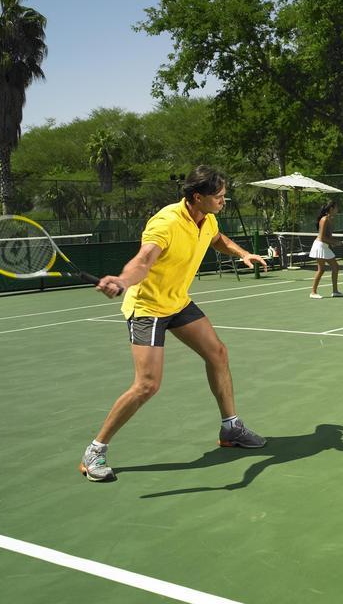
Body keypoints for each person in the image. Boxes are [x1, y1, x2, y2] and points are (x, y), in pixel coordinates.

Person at [79, 166, 268, 483]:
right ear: (198, 197)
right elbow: (144, 260)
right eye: (218, 196)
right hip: (148, 307)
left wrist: (242, 252)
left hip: (177, 301)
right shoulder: (165, 223)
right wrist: (123, 281)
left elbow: (216, 238)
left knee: (218, 353)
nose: (223, 201)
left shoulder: (206, 218)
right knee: (147, 385)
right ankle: (94, 451)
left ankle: (231, 428)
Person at [309, 200, 343, 298]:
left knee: (335, 267)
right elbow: (322, 237)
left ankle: (335, 291)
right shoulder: (324, 219)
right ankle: (313, 292)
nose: (337, 209)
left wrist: (334, 243)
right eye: (336, 207)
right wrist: (334, 242)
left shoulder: (331, 219)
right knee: (322, 269)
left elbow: (328, 237)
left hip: (324, 246)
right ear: (331, 208)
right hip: (319, 246)